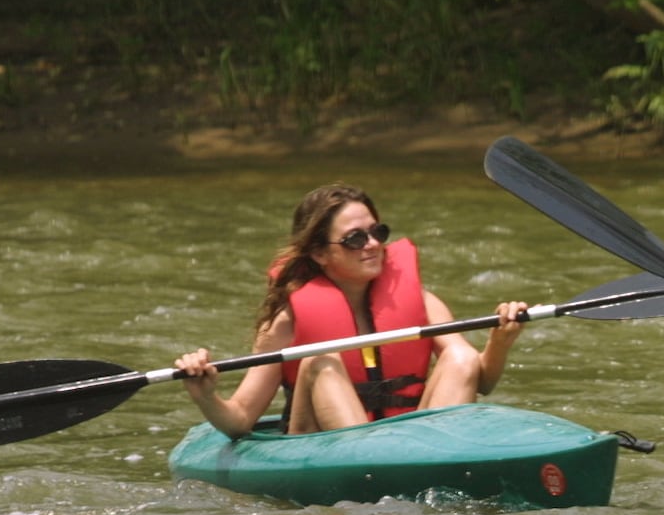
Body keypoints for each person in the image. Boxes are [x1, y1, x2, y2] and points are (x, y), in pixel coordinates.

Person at [176, 182, 526, 437]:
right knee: (320, 360)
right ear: (319, 253)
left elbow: (480, 380)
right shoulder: (287, 323)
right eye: (355, 239)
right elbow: (239, 420)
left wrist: (500, 341)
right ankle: (372, 462)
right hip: (319, 446)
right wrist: (206, 396)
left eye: (377, 232)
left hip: (410, 443)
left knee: (460, 357)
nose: (372, 244)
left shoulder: (423, 302)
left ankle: (429, 462)